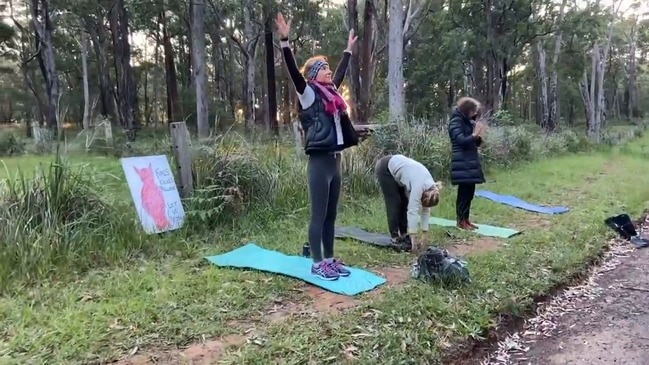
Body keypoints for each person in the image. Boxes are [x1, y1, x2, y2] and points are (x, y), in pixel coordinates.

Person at [276, 13, 360, 281]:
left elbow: (341, 75)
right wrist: (285, 41)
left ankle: (330, 259)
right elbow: (292, 73)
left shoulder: (332, 93)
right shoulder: (309, 93)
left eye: (327, 67)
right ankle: (316, 263)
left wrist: (347, 51)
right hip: (319, 162)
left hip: (335, 161)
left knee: (332, 214)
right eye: (323, 67)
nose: (328, 70)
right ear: (314, 74)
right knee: (318, 214)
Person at [375, 154, 441, 252]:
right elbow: (412, 211)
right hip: (385, 168)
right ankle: (395, 237)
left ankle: (404, 234)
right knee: (395, 202)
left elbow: (426, 211)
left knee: (404, 202)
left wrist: (424, 235)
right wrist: (414, 240)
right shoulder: (419, 186)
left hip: (401, 172)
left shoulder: (431, 188)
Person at [448, 97, 486, 230]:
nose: (475, 114)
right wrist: (474, 134)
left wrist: (478, 136)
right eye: (473, 111)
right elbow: (461, 141)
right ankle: (460, 221)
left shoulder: (468, 122)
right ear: (467, 109)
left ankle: (466, 220)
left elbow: (474, 142)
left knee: (469, 193)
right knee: (463, 194)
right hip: (462, 162)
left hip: (470, 161)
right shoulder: (455, 122)